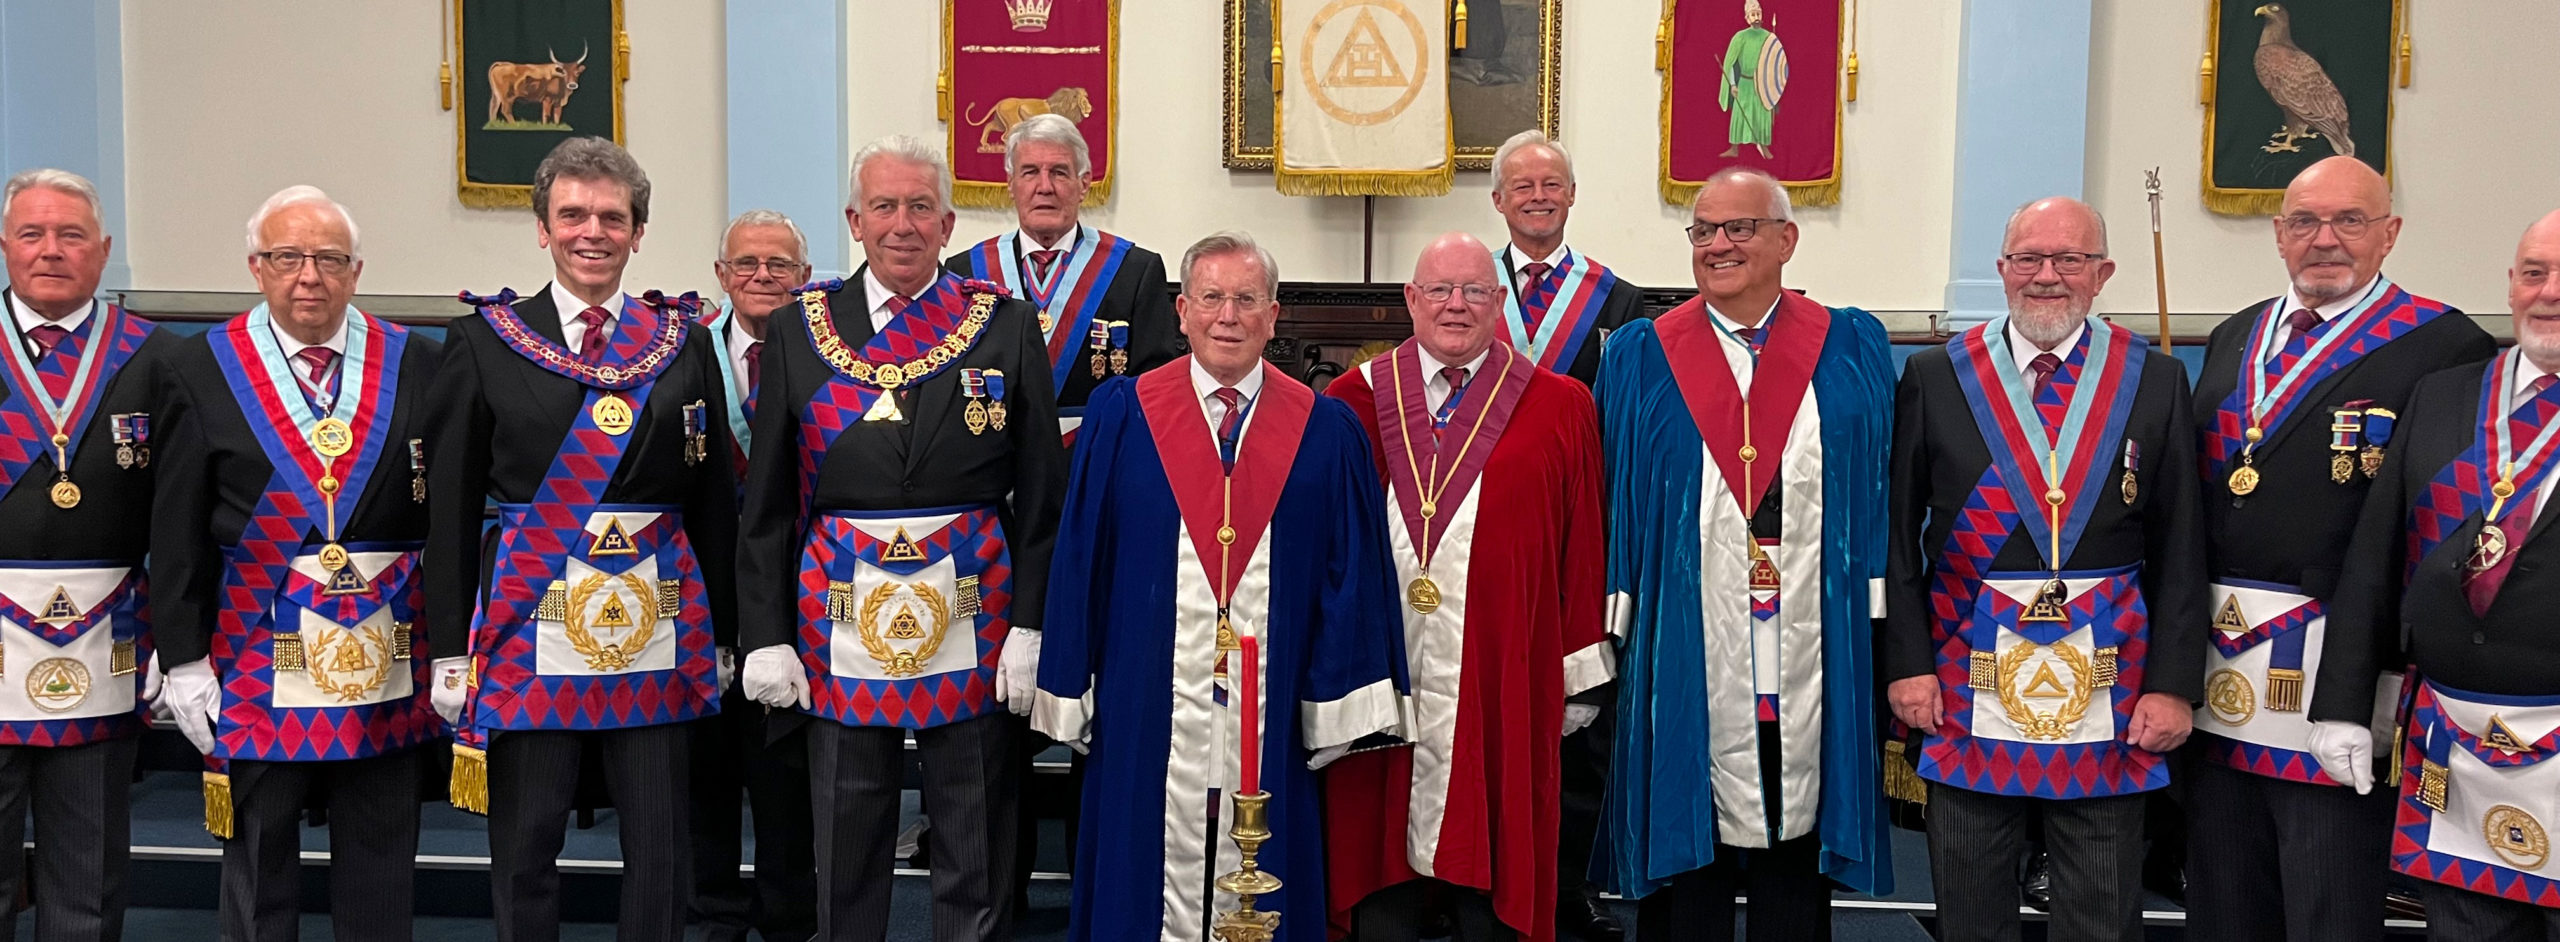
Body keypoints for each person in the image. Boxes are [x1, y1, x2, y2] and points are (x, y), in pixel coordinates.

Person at [1030, 231, 1406, 942]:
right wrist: (1069, 674)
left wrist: (1333, 698)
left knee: (1272, 852)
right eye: (1211, 298)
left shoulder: (1325, 430)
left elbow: (1348, 576)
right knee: (1138, 844)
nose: (1227, 315)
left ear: (1273, 314)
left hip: (1274, 687)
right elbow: (1083, 554)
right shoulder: (1123, 414)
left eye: (1245, 299)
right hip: (1143, 689)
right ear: (1182, 310)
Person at [734, 134, 1065, 942]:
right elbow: (770, 501)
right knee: (848, 827)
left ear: (948, 223)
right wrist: (768, 635)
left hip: (975, 606)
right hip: (838, 610)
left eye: (921, 206)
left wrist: (1031, 623)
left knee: (974, 825)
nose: (903, 224)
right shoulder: (799, 331)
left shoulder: (1005, 324)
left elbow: (1043, 491)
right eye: (885, 206)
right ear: (855, 219)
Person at [424, 136, 739, 941]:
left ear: (638, 233)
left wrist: (727, 635)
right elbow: (452, 509)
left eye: (611, 216)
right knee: (526, 844)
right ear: (542, 228)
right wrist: (450, 647)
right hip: (527, 628)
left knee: (661, 846)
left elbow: (709, 501)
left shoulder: (684, 341)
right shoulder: (484, 341)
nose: (591, 231)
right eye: (572, 215)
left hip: (655, 629)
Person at [2184, 155, 2494, 942]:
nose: (2325, 240)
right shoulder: (2232, 336)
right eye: (2305, 222)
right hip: (2217, 677)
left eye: (2350, 221)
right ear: (2279, 235)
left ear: (2389, 234)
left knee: (2326, 909)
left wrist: (2373, 683)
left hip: (2335, 681)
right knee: (2223, 904)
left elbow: (2436, 535)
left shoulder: (2444, 348)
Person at [1883, 197, 2207, 942]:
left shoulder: (2152, 379)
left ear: (2103, 274)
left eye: (2070, 260)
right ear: (2001, 271)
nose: (2047, 277)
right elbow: (1899, 539)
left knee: (2102, 911)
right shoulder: (1937, 375)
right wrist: (1907, 665)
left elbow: (2183, 545)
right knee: (1970, 906)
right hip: (1965, 673)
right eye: (2028, 259)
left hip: (2111, 682)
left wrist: (2172, 685)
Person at [1594, 166, 1895, 942]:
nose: (1717, 245)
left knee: (1795, 849)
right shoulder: (1640, 354)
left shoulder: (1850, 344)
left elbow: (1881, 483)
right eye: (1703, 230)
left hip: (1812, 631)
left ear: (1786, 239)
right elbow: (1616, 499)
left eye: (1739, 228)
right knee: (1683, 834)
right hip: (1687, 632)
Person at [154, 185, 444, 941]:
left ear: (356, 270)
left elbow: (444, 510)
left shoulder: (417, 360)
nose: (308, 275)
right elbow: (177, 523)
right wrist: (183, 659)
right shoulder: (200, 367)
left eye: (328, 258)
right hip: (253, 648)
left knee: (381, 859)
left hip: (382, 652)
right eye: (288, 257)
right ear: (257, 267)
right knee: (260, 864)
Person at [1320, 232, 1610, 942]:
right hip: (1381, 676)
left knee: (1495, 881)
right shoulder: (1351, 400)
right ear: (1411, 301)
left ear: (1499, 302)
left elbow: (1583, 548)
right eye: (1441, 290)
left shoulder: (1559, 405)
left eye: (1475, 290)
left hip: (1502, 672)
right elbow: (1324, 548)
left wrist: (1577, 671)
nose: (1457, 305)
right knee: (1381, 883)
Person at [2322, 208, 2560, 940]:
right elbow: (2374, 558)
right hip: (2455, 741)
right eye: (2533, 273)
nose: (2548, 294)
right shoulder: (2446, 394)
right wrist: (2341, 702)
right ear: (2511, 285)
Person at [0, 168, 170, 942]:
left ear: (102, 253)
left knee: (89, 879)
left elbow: (180, 514)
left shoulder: (156, 358)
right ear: (6, 246)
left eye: (71, 236)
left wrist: (175, 634)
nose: (50, 251)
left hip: (106, 642)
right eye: (31, 234)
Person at [1486, 129, 1644, 942]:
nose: (1539, 195)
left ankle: (1564, 883)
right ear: (1499, 201)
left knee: (1580, 712)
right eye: (1523, 185)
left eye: (1552, 183)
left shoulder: (1615, 302)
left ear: (1571, 197)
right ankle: (1475, 880)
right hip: (1486, 532)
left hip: (1583, 527)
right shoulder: (1467, 293)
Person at [688, 208, 819, 942]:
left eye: (779, 265)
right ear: (720, 276)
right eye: (747, 264)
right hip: (701, 598)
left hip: (793, 602)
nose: (762, 277)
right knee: (701, 774)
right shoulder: (683, 355)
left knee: (786, 784)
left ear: (805, 279)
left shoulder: (826, 354)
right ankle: (708, 913)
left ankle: (789, 919)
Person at [945, 113, 1177, 442]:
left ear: (1083, 184)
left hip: (1097, 455)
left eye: (1059, 172)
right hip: (994, 462)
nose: (1045, 187)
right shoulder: (964, 273)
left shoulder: (1135, 270)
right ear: (1011, 184)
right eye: (1030, 172)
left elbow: (1156, 388)